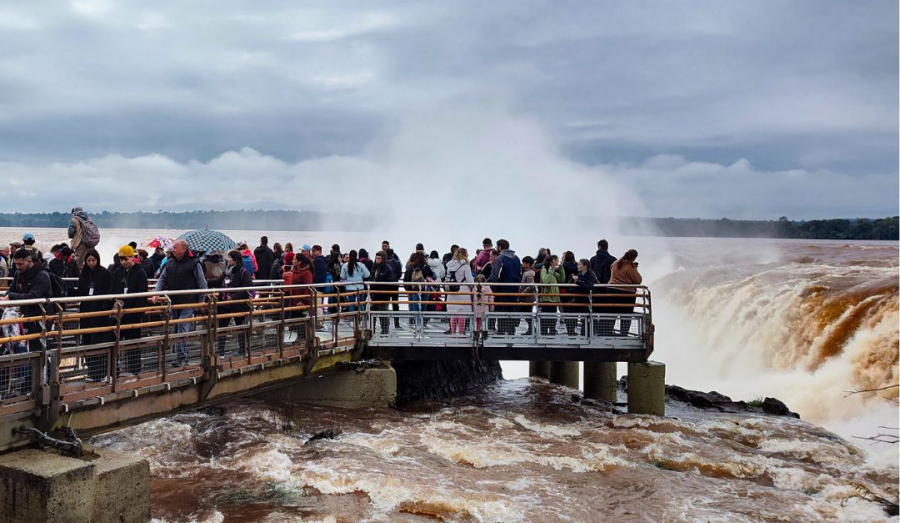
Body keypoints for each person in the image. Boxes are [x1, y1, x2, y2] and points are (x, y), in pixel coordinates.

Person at [151, 239, 208, 366]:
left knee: (182, 328)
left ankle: (182, 358)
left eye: (175, 247)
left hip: (188, 301)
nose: (173, 250)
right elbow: (162, 279)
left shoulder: (194, 263)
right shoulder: (170, 263)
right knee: (176, 329)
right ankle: (180, 357)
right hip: (174, 301)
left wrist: (201, 300)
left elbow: (202, 282)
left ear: (183, 249)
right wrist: (156, 293)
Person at [1, 248, 52, 352]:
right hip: (25, 314)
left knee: (37, 348)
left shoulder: (42, 275)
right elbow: (11, 289)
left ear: (30, 262)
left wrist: (11, 297)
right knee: (22, 345)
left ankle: (43, 367)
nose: (17, 267)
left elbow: (33, 296)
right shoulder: (18, 274)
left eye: (20, 264)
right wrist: (5, 297)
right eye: (16, 264)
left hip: (41, 315)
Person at [109, 245, 149, 375]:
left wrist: (137, 312)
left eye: (125, 258)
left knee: (133, 344)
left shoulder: (140, 273)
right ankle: (114, 371)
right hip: (119, 315)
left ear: (132, 258)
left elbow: (142, 294)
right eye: (121, 259)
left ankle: (134, 370)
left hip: (133, 315)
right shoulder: (117, 272)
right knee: (114, 343)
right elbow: (113, 291)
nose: (123, 262)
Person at [77, 249, 113, 382]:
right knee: (86, 341)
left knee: (97, 342)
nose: (91, 263)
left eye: (93, 260)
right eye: (88, 260)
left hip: (99, 312)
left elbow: (109, 290)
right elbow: (80, 291)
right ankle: (92, 372)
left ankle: (101, 372)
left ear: (98, 260)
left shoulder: (104, 273)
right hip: (86, 311)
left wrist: (105, 306)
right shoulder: (84, 274)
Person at [217, 250, 253, 356]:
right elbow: (219, 282)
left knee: (240, 327)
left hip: (238, 305)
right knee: (222, 326)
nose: (228, 260)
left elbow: (248, 288)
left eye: (230, 258)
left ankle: (242, 350)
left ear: (235, 260)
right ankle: (220, 351)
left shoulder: (243, 271)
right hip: (225, 303)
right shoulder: (226, 271)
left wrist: (234, 296)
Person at [488, 239, 522, 335]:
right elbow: (520, 273)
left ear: (499, 247)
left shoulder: (500, 258)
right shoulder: (517, 258)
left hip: (502, 289)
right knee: (512, 310)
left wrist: (495, 290)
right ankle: (511, 330)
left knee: (501, 310)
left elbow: (495, 275)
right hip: (514, 289)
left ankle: (502, 331)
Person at [608, 249, 642, 336]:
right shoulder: (629, 266)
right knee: (626, 316)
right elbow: (638, 280)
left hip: (612, 291)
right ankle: (624, 334)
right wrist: (635, 268)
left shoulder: (616, 262)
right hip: (626, 294)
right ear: (633, 258)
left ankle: (607, 332)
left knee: (611, 314)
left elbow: (611, 267)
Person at [282, 253, 313, 341]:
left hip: (302, 302)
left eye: (295, 259)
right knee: (293, 321)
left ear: (299, 262)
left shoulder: (306, 273)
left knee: (301, 321)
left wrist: (303, 300)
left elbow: (308, 287)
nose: (292, 261)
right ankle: (297, 339)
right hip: (294, 301)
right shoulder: (295, 271)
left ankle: (303, 339)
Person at [445, 247, 473, 335]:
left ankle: (453, 332)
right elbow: (470, 282)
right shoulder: (465, 266)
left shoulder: (450, 266)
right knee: (462, 314)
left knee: (453, 314)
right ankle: (461, 332)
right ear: (465, 255)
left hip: (452, 292)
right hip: (463, 292)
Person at [403, 252, 434, 330]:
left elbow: (406, 278)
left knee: (416, 307)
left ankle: (417, 324)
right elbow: (433, 275)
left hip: (415, 289)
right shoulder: (426, 267)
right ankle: (422, 324)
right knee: (423, 307)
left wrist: (408, 288)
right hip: (425, 289)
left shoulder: (412, 267)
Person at [370, 251, 396, 335]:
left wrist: (378, 286)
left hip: (383, 296)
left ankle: (385, 331)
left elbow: (389, 283)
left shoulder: (388, 269)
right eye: (376, 258)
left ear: (383, 259)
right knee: (371, 314)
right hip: (374, 296)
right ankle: (371, 330)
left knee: (383, 315)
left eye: (379, 258)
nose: (377, 260)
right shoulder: (374, 268)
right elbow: (371, 278)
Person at [67, 207, 100, 272]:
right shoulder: (89, 219)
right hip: (91, 243)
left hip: (80, 244)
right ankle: (91, 276)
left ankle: (80, 278)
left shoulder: (74, 219)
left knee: (78, 263)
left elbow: (71, 233)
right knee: (91, 260)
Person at [571, 259, 598, 336]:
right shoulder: (579, 274)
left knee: (585, 318)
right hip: (577, 298)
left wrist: (578, 281)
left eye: (580, 265)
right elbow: (572, 287)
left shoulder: (591, 275)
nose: (578, 266)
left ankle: (586, 334)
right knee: (572, 316)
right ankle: (572, 333)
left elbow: (588, 287)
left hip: (586, 300)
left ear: (585, 266)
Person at [539, 254, 565, 336]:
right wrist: (551, 271)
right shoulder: (544, 270)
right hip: (546, 297)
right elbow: (545, 280)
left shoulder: (554, 271)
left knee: (553, 317)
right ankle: (544, 333)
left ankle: (552, 331)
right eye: (556, 260)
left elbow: (562, 280)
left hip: (555, 297)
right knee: (546, 316)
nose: (557, 261)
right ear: (551, 261)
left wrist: (561, 268)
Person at [340, 250, 370, 315]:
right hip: (360, 287)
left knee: (351, 304)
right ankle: (361, 319)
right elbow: (367, 274)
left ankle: (352, 320)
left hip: (349, 288)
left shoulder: (345, 265)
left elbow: (342, 276)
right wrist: (361, 275)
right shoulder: (361, 265)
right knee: (361, 303)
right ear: (357, 256)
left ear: (349, 256)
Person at [561, 251, 580, 335]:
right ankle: (573, 328)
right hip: (574, 290)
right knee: (574, 309)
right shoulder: (577, 266)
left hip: (564, 290)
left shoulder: (562, 266)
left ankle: (569, 329)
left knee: (565, 310)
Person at [520, 256, 536, 336]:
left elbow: (530, 286)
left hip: (527, 298)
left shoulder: (529, 273)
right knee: (527, 314)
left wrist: (522, 293)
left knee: (527, 314)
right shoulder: (529, 272)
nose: (522, 264)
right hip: (527, 297)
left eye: (524, 263)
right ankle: (532, 329)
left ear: (528, 264)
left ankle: (532, 329)